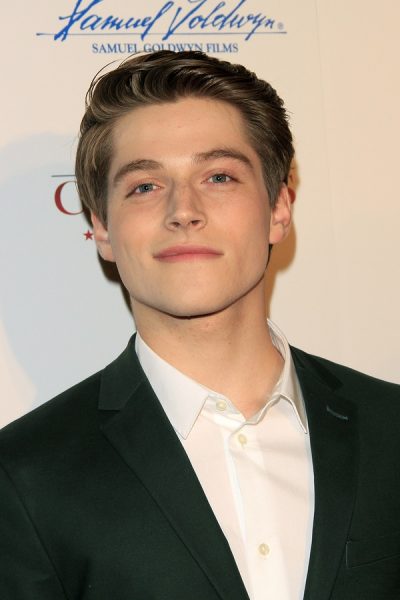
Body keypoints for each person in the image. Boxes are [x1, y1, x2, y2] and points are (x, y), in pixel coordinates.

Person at [0, 51, 399, 600]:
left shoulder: (391, 431)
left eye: (219, 176)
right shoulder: (24, 475)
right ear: (102, 229)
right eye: (145, 186)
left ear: (279, 209)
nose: (183, 210)